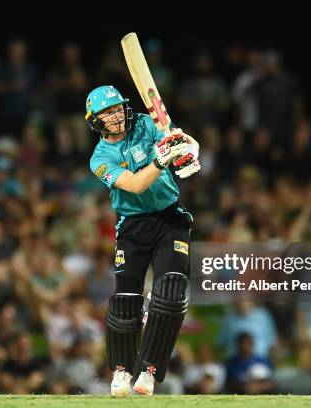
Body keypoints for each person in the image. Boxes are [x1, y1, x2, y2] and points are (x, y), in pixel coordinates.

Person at [86, 85, 200, 396]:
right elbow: (135, 185)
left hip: (170, 219)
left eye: (117, 108)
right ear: (95, 120)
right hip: (133, 227)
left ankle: (149, 370)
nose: (116, 116)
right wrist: (161, 162)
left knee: (172, 290)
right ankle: (121, 369)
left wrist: (190, 152)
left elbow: (183, 139)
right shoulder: (100, 157)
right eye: (107, 113)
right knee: (127, 299)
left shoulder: (146, 123)